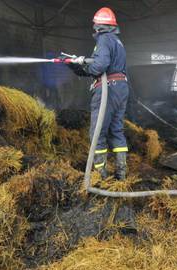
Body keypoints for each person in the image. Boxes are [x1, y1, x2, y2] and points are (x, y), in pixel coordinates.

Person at [66, 7, 129, 180]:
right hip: (121, 87)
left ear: (98, 26)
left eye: (94, 24)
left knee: (97, 132)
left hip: (108, 88)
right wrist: (74, 64)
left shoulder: (103, 39)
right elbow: (100, 67)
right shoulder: (117, 41)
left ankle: (100, 175)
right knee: (116, 130)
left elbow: (99, 67)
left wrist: (84, 64)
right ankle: (121, 173)